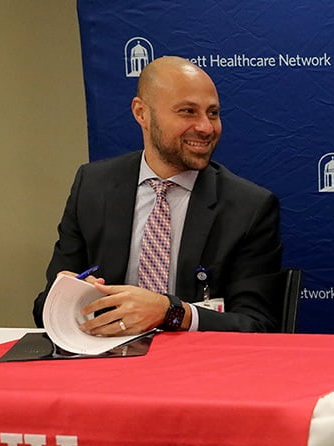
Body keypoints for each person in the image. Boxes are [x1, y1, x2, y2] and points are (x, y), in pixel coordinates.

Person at [33, 56, 284, 334]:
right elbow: (43, 307)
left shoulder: (248, 207)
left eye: (212, 113)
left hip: (198, 367)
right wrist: (65, 298)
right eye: (188, 111)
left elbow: (257, 326)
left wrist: (172, 312)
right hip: (103, 361)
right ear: (141, 113)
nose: (206, 127)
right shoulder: (93, 187)